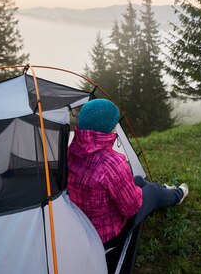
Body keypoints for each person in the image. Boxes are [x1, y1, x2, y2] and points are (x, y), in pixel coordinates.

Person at [67, 98, 188, 245]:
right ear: (108, 127)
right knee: (151, 191)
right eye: (115, 123)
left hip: (84, 224)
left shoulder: (72, 150)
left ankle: (163, 190)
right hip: (106, 235)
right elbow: (132, 208)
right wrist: (137, 193)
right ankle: (178, 194)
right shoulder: (111, 162)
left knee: (137, 179)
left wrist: (133, 188)